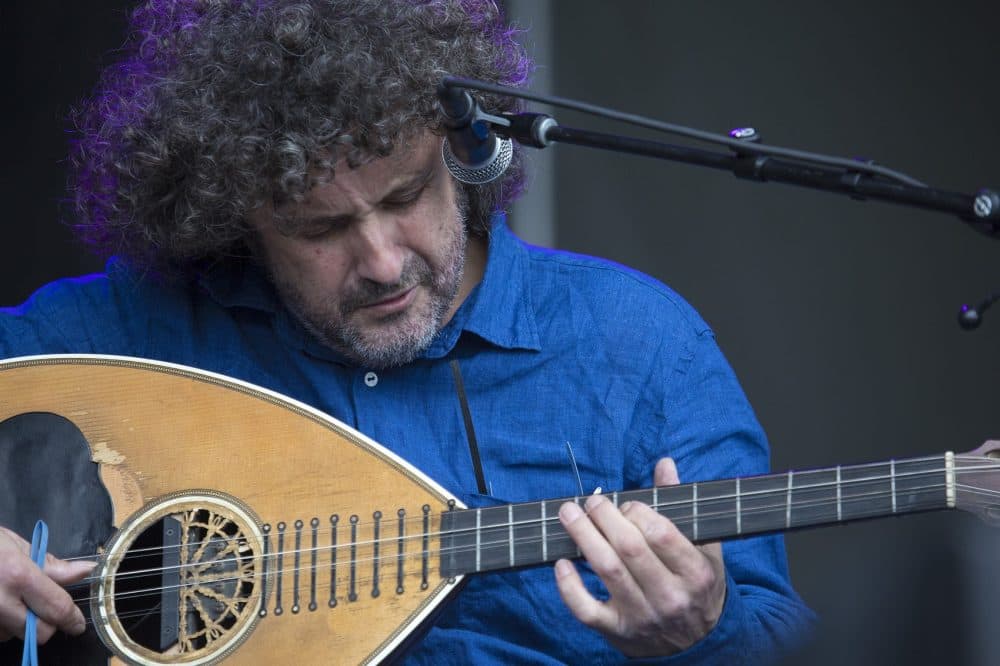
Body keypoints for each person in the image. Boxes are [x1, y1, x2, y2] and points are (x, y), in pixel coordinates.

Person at [0, 0, 814, 663]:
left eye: (404, 196)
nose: (384, 262)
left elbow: (783, 637)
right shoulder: (131, 326)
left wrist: (703, 634)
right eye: (319, 229)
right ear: (234, 217)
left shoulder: (637, 341)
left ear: (464, 152)